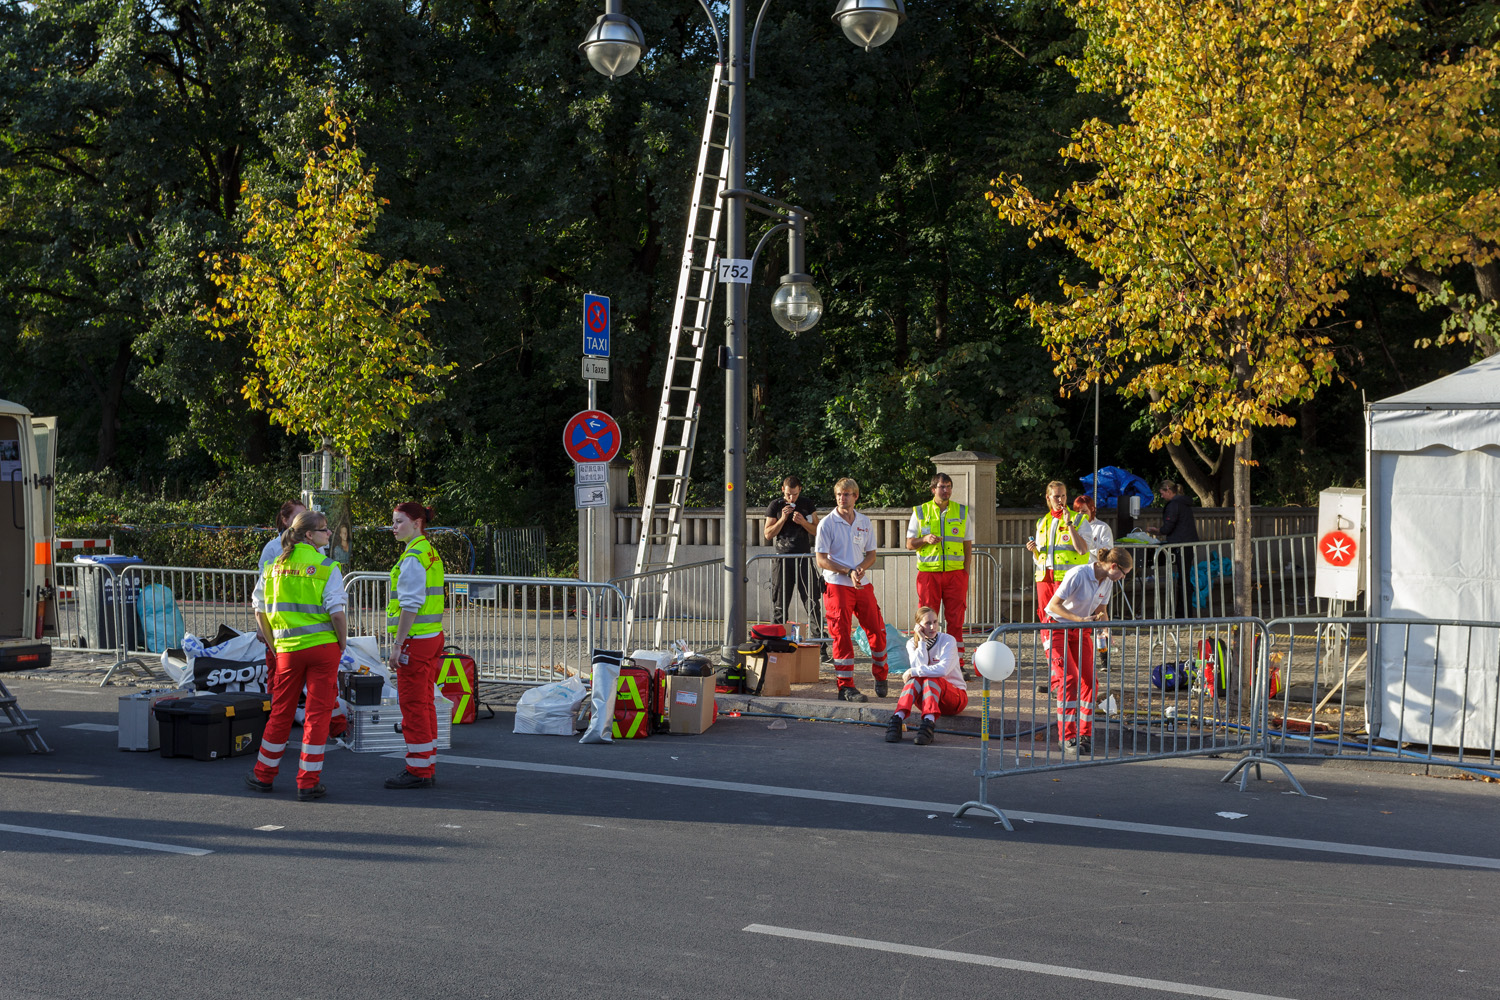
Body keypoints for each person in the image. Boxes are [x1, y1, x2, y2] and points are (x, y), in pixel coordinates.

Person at [244, 510, 347, 801]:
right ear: (310, 536)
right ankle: (307, 781)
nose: (329, 535)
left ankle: (263, 774)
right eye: (325, 530)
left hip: (287, 650)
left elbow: (258, 609)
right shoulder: (326, 566)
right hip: (323, 648)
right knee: (317, 716)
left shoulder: (273, 567)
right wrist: (342, 643)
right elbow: (337, 614)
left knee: (281, 712)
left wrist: (274, 643)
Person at [1044, 547, 1133, 757]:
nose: (1123, 578)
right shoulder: (1078, 574)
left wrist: (1105, 629)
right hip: (1056, 627)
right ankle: (1066, 736)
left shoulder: (1108, 581)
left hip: (1080, 631)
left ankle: (1085, 733)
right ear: (1113, 566)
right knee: (1070, 679)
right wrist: (1080, 620)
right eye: (1124, 573)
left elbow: (1101, 610)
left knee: (1090, 681)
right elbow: (1053, 605)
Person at [385, 501, 446, 789]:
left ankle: (418, 769)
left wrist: (397, 644)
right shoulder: (429, 552)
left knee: (413, 705)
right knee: (424, 703)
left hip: (415, 641)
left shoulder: (412, 558)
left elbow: (410, 605)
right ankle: (426, 763)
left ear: (417, 523)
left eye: (398, 522)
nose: (393, 528)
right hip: (431, 637)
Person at [815, 477, 889, 702]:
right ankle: (845, 687)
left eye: (846, 494)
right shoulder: (827, 523)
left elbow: (871, 555)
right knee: (841, 635)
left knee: (877, 629)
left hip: (861, 585)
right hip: (837, 585)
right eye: (839, 494)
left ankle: (881, 675)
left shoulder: (865, 521)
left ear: (855, 496)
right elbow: (821, 559)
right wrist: (848, 571)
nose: (842, 498)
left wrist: (860, 569)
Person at [905, 473, 972, 675]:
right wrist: (925, 539)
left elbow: (968, 544)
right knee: (926, 621)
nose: (946, 490)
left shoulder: (962, 511)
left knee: (956, 619)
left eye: (949, 486)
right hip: (928, 575)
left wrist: (965, 572)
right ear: (933, 489)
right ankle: (925, 660)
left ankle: (956, 665)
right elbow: (909, 544)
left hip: (955, 574)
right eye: (942, 487)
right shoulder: (920, 511)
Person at [883, 606, 968, 746]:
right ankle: (897, 719)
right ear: (918, 626)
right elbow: (918, 668)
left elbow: (943, 670)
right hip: (927, 699)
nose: (933, 627)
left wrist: (913, 671)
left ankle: (928, 724)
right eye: (927, 623)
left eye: (935, 622)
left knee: (927, 676)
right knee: (917, 676)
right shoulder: (912, 643)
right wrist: (921, 642)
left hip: (954, 698)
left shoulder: (948, 640)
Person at [1026, 480, 1091, 628]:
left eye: (1063, 496)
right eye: (1056, 496)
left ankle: (1066, 650)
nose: (1060, 500)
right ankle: (1051, 649)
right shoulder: (1042, 522)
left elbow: (1082, 550)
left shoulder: (1079, 519)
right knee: (1045, 617)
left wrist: (1069, 525)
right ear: (1048, 498)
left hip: (1068, 578)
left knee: (1067, 618)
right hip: (1044, 578)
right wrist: (1034, 550)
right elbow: (1040, 557)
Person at [763, 475, 822, 633]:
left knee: (812, 602)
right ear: (783, 490)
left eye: (794, 494)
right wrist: (783, 519)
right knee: (779, 604)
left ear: (800, 490)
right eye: (788, 494)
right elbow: (768, 534)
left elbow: (818, 531)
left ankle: (820, 644)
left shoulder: (807, 504)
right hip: (783, 559)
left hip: (803, 558)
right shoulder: (775, 505)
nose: (791, 497)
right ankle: (777, 644)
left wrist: (803, 522)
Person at [1146, 480, 1199, 617]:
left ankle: (1182, 614)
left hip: (1180, 545)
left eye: (1162, 493)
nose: (1162, 496)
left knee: (1183, 580)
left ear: (1169, 490)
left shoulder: (1174, 505)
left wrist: (1157, 531)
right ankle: (1185, 612)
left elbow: (1168, 527)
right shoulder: (1184, 503)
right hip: (1187, 544)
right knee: (1185, 578)